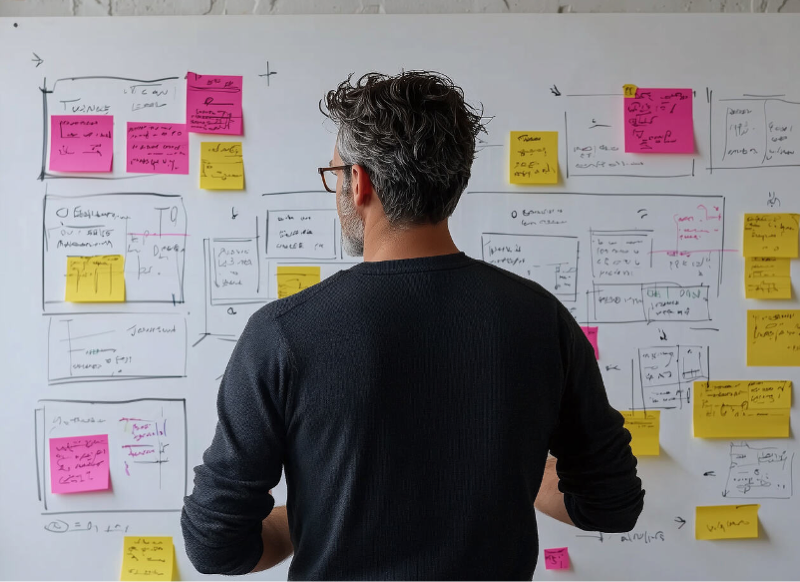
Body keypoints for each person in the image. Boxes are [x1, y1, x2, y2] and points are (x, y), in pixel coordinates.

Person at [181, 71, 644, 580]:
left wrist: (325, 510)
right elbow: (610, 504)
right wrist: (508, 464)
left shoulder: (284, 333)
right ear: (455, 180)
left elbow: (215, 545)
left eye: (335, 173)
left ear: (359, 183)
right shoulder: (540, 319)